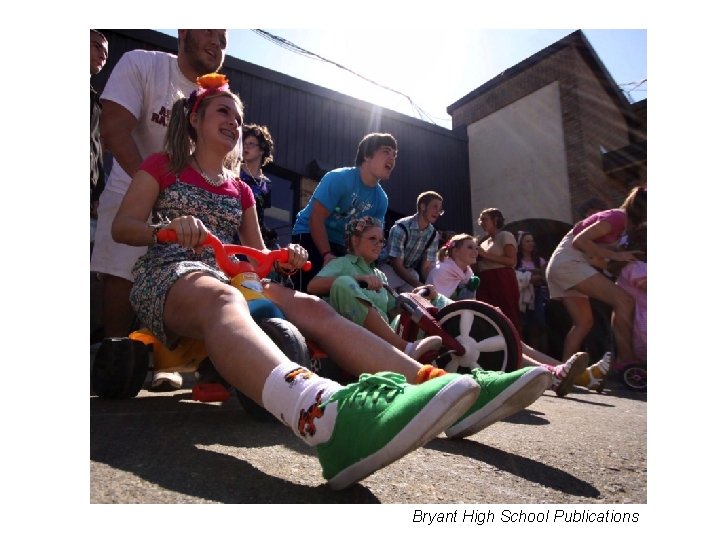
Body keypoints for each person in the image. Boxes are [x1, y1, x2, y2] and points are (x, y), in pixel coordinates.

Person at [110, 74, 550, 488]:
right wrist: (166, 229)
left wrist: (285, 257)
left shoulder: (240, 189)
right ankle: (318, 413)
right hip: (172, 271)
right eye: (223, 112)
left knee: (312, 306)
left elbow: (257, 254)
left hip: (230, 274)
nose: (233, 122)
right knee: (224, 298)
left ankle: (437, 386)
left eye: (238, 117)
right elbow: (123, 226)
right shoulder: (163, 166)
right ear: (195, 117)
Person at [91, 29, 228, 391]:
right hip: (131, 187)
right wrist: (153, 190)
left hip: (192, 206)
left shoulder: (219, 100)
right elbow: (113, 128)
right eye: (209, 30)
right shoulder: (142, 64)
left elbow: (226, 165)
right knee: (121, 273)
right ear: (183, 31)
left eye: (223, 37)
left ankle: (167, 363)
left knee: (185, 277)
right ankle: (116, 363)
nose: (217, 42)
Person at [428, 233, 588, 397]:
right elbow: (442, 307)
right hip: (446, 330)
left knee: (515, 341)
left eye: (476, 248)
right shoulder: (443, 271)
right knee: (505, 344)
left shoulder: (468, 273)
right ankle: (553, 375)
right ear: (455, 251)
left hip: (464, 324)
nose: (476, 251)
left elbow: (468, 306)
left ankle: (568, 372)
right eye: (470, 247)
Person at [545, 186, 647, 392]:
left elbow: (596, 254)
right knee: (625, 301)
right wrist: (617, 255)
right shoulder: (617, 218)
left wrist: (617, 255)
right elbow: (580, 241)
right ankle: (625, 359)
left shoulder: (621, 223)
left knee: (583, 323)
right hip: (570, 263)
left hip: (562, 264)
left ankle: (561, 374)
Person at [307, 216, 444, 360]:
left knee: (424, 300)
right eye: (373, 239)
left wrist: (416, 296)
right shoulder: (341, 263)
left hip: (380, 341)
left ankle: (446, 344)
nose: (379, 245)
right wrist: (357, 279)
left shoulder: (379, 275)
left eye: (381, 241)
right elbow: (312, 286)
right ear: (355, 240)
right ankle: (404, 348)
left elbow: (393, 308)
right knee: (343, 282)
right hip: (348, 337)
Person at [290, 132, 397, 292]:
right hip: (308, 233)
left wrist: (366, 269)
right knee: (305, 291)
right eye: (386, 152)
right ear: (367, 155)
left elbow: (371, 237)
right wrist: (326, 254)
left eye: (394, 155)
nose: (392, 159)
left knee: (340, 294)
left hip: (342, 245)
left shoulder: (381, 199)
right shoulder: (339, 178)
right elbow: (316, 218)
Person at [378, 191, 444, 293]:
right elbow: (396, 264)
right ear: (422, 206)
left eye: (440, 209)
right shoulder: (401, 228)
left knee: (414, 286)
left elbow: (426, 268)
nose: (438, 212)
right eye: (435, 207)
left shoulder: (433, 235)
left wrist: (431, 287)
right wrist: (419, 285)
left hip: (409, 272)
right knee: (386, 296)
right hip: (388, 268)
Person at [473, 208, 522, 333]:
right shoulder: (484, 242)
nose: (481, 223)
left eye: (485, 219)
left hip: (502, 279)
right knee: (489, 316)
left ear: (495, 220)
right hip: (485, 280)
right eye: (480, 220)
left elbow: (511, 261)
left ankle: (514, 342)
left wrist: (485, 255)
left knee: (507, 315)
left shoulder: (505, 235)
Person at [239, 123, 274, 245]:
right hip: (232, 231)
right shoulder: (234, 171)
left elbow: (260, 216)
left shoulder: (266, 184)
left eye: (251, 144)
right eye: (244, 143)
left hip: (251, 240)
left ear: (262, 150)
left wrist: (268, 236)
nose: (246, 147)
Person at [515, 231, 550, 353]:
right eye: (527, 241)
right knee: (524, 325)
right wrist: (531, 276)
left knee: (539, 325)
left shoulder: (539, 261)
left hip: (538, 296)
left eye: (532, 241)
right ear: (520, 244)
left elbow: (546, 278)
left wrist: (537, 276)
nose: (531, 243)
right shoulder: (516, 261)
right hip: (522, 296)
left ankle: (542, 352)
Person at [90, 29, 109, 221]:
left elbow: (95, 145)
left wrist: (99, 190)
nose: (102, 55)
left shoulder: (95, 100)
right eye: (97, 47)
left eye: (106, 53)